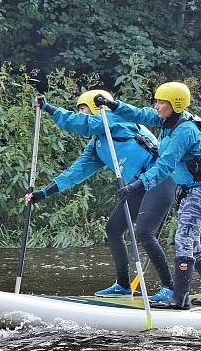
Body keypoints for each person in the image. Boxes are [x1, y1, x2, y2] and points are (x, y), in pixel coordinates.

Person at [26, 90, 176, 301]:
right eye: (78, 110)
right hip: (137, 186)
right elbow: (75, 173)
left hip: (160, 178)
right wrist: (42, 193)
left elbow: (83, 124)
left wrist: (49, 108)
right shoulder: (97, 146)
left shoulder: (115, 118)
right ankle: (123, 286)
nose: (80, 113)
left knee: (144, 232)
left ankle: (170, 288)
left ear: (96, 108)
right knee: (113, 229)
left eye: (83, 108)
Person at [96, 82, 201, 309]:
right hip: (188, 189)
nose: (156, 106)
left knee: (184, 239)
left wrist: (136, 185)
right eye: (156, 101)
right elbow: (139, 114)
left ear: (175, 104)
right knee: (192, 243)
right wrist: (113, 105)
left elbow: (165, 167)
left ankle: (180, 299)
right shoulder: (167, 119)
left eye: (161, 102)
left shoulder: (185, 131)